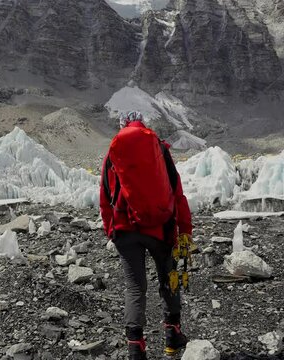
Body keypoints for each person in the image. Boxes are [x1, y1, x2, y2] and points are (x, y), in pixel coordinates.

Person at [100, 111, 193, 359]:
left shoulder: (113, 153)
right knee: (168, 279)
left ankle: (135, 350)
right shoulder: (159, 149)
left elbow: (105, 195)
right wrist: (185, 229)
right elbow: (176, 192)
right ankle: (172, 337)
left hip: (125, 231)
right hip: (159, 228)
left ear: (121, 127)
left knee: (134, 288)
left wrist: (111, 229)